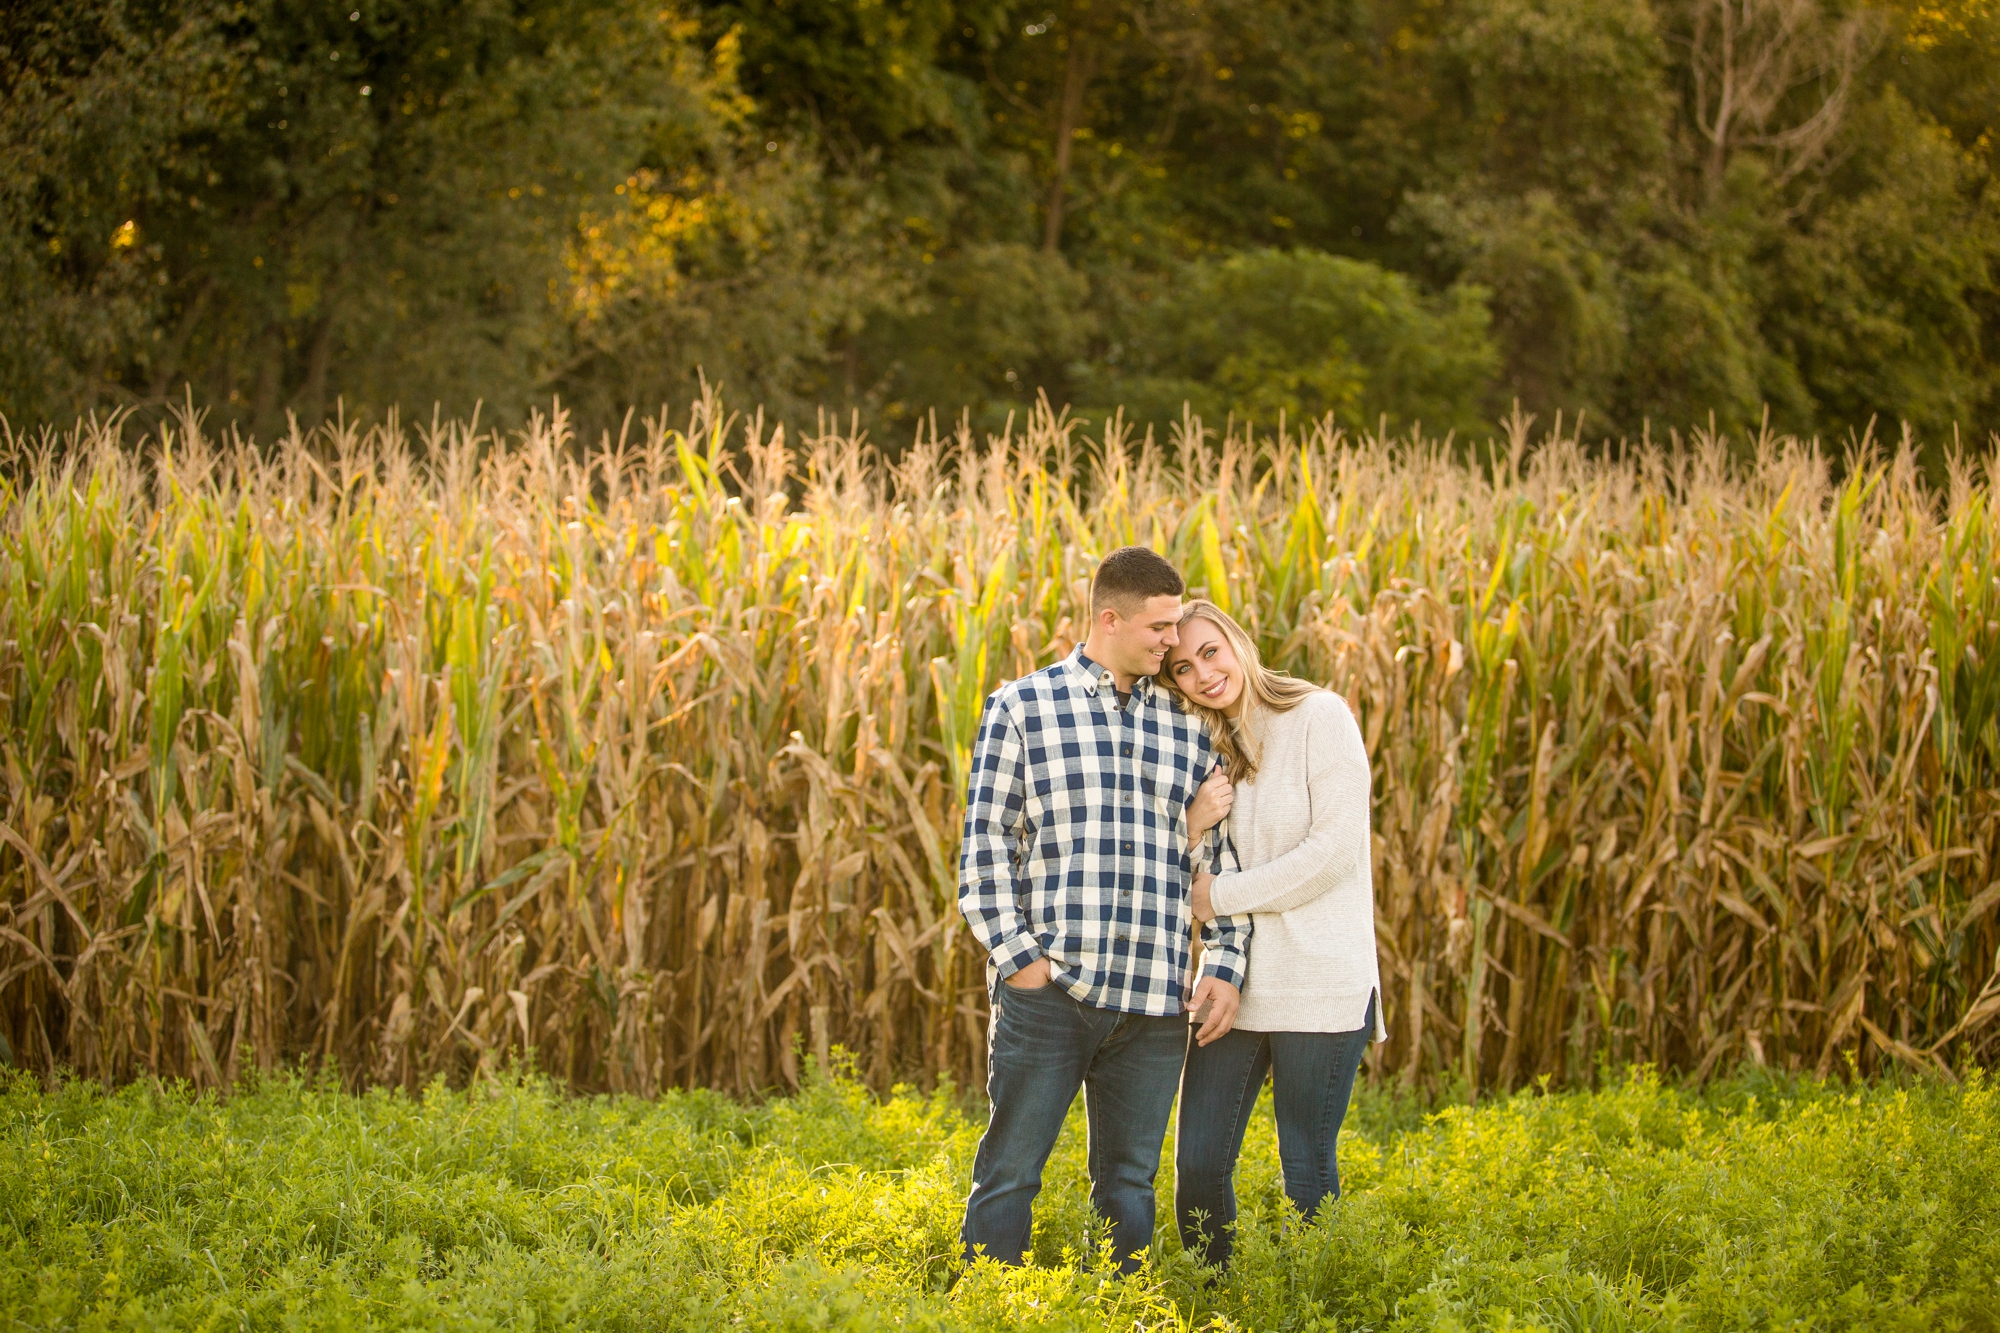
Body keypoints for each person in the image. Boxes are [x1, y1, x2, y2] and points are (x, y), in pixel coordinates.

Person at [956, 547, 1250, 1273]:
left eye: (1177, 625)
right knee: (1010, 1174)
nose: (1172, 640)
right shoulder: (1022, 707)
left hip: (1153, 999)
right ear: (1109, 618)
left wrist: (1227, 961)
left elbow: (1217, 861)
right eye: (1159, 626)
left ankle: (1121, 1310)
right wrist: (1019, 960)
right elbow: (985, 847)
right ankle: (991, 1309)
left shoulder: (1188, 728)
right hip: (1051, 990)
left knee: (1127, 1185)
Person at [1159, 600, 1386, 1270]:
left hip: (1320, 981)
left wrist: (1218, 896)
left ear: (1237, 642)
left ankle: (1311, 1307)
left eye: (1209, 651)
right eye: (1181, 668)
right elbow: (1189, 859)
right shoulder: (1203, 748)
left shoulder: (1320, 717)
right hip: (1234, 986)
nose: (1202, 674)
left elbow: (1332, 853)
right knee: (1198, 1165)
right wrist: (1192, 833)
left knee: (1306, 1170)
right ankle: (1216, 1299)